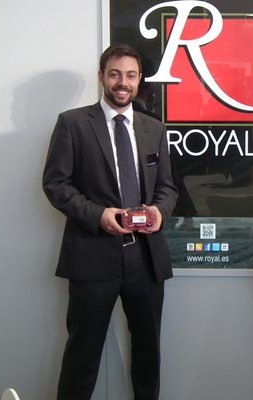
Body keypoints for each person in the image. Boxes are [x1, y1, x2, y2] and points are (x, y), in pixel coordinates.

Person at [42, 43, 178, 400]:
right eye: (115, 74)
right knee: (82, 356)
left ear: (139, 79)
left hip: (145, 258)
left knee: (148, 356)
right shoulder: (72, 123)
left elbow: (167, 187)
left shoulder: (154, 128)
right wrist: (97, 215)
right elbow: (55, 184)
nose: (123, 82)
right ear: (101, 76)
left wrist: (159, 212)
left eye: (130, 75)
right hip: (92, 255)